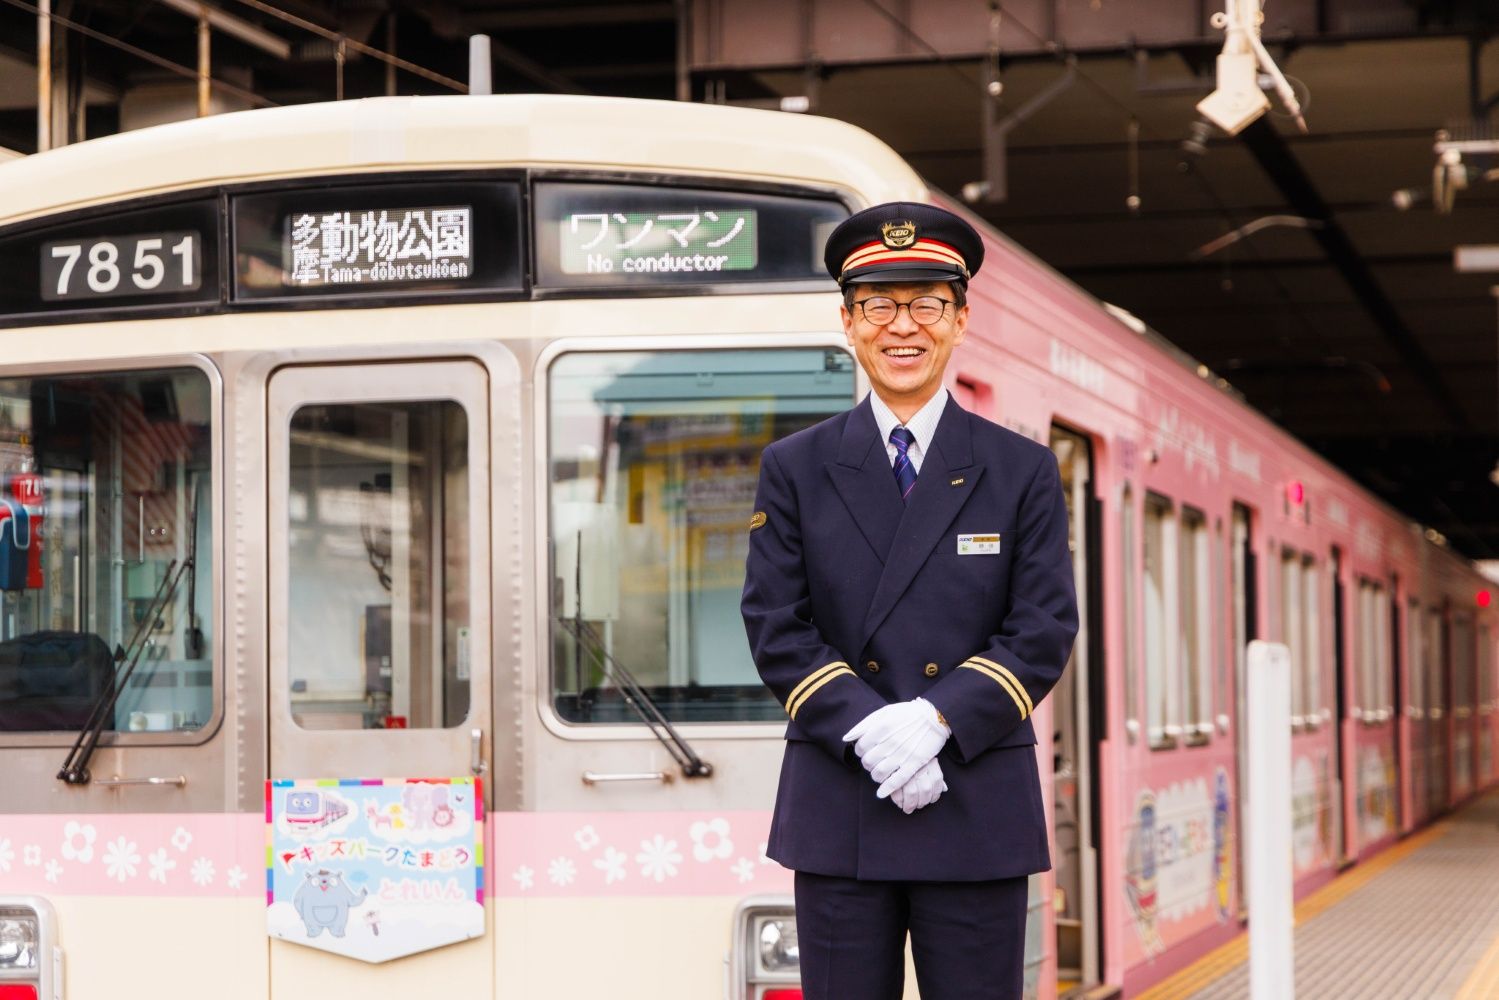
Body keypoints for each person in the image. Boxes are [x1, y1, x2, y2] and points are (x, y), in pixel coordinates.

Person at [741, 201, 1079, 999]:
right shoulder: (794, 468)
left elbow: (1042, 627)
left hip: (973, 798)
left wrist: (935, 722)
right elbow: (774, 625)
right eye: (878, 306)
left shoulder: (1020, 469)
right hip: (841, 801)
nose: (902, 326)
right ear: (848, 323)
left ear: (960, 321)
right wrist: (873, 732)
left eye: (926, 304)